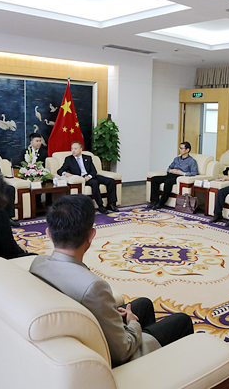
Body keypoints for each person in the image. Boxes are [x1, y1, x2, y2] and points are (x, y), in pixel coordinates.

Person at [29, 195, 194, 366]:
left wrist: (109, 312)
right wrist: (132, 323)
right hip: (111, 354)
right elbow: (123, 352)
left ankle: (153, 364)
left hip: (78, 332)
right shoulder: (93, 286)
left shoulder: (38, 263)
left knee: (144, 304)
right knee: (181, 321)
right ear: (91, 235)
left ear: (48, 233)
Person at [57, 141, 118, 214]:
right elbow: (59, 171)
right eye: (72, 149)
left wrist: (89, 176)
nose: (73, 150)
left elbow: (94, 171)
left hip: (90, 176)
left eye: (75, 149)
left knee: (111, 181)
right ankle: (100, 206)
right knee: (94, 182)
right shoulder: (69, 159)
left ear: (81, 149)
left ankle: (110, 204)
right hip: (81, 179)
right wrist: (65, 173)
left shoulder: (88, 158)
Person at [149, 142, 198, 210]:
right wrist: (171, 170)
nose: (180, 150)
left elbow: (194, 172)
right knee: (154, 179)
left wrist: (183, 173)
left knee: (168, 182)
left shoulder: (192, 161)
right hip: (170, 175)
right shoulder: (176, 159)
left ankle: (161, 203)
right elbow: (169, 168)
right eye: (180, 148)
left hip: (179, 177)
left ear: (187, 150)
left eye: (182, 148)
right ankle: (154, 201)